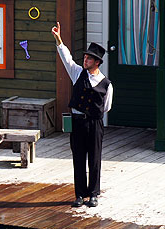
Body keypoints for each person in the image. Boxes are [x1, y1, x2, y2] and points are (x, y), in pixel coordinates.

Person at [51, 22, 113, 208]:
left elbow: (107, 107)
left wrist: (92, 115)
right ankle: (79, 195)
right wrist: (58, 39)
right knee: (78, 159)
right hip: (77, 123)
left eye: (89, 58)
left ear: (97, 62)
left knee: (94, 160)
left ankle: (93, 194)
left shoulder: (107, 84)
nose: (85, 60)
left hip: (94, 125)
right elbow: (66, 58)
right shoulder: (77, 73)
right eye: (85, 57)